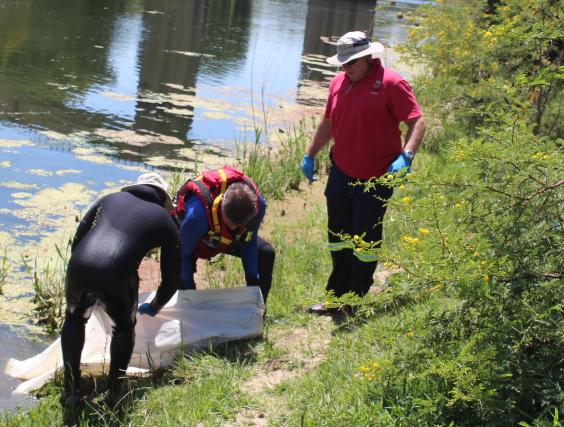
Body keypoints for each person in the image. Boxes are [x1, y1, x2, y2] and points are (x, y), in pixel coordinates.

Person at [301, 31, 426, 316]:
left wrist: (406, 156)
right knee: (338, 237)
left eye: (352, 62)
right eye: (343, 63)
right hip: (341, 173)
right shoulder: (337, 82)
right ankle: (335, 297)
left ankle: (355, 300)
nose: (347, 68)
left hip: (376, 177)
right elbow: (329, 123)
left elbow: (417, 122)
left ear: (370, 57)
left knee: (365, 242)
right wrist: (310, 153)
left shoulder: (393, 83)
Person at [60, 172, 181, 404]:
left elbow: (77, 240)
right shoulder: (165, 220)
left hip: (78, 265)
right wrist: (155, 306)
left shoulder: (107, 199)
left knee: (74, 320)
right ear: (162, 200)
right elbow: (172, 278)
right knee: (123, 328)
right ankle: (114, 390)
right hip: (117, 273)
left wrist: (87, 286)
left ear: (134, 188)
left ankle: (71, 390)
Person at [173, 165, 275, 303]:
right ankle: (187, 310)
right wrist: (191, 293)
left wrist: (253, 283)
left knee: (266, 252)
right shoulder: (197, 216)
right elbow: (181, 255)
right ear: (220, 206)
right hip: (195, 239)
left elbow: (249, 243)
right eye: (229, 222)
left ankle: (258, 310)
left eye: (238, 225)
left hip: (229, 239)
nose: (233, 227)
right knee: (179, 271)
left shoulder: (258, 206)